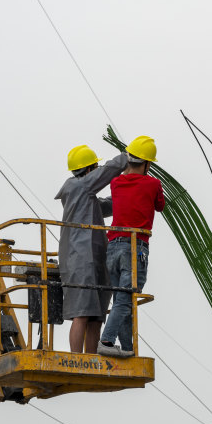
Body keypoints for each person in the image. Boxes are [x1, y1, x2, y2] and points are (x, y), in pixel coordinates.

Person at [55, 144, 127, 354]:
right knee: (82, 313)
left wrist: (128, 196)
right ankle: (77, 359)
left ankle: (91, 358)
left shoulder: (83, 194)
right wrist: (127, 157)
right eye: (94, 168)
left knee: (96, 315)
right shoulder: (78, 186)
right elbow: (108, 171)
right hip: (80, 259)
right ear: (88, 170)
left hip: (94, 259)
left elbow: (103, 206)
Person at [97, 136, 165, 357]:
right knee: (126, 300)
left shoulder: (116, 182)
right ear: (147, 163)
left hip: (112, 247)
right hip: (135, 247)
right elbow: (160, 206)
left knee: (121, 300)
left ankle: (127, 348)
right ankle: (106, 341)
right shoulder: (153, 184)